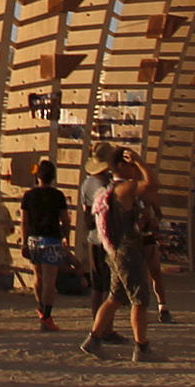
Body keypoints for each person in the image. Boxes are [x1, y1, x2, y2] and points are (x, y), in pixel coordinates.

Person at [78, 144, 162, 361]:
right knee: (139, 300)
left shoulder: (107, 190)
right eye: (131, 165)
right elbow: (153, 185)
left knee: (115, 297)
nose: (134, 169)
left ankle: (94, 338)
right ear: (122, 166)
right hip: (128, 251)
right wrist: (141, 163)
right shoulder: (126, 188)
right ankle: (142, 348)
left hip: (114, 250)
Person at [16, 157, 71, 330]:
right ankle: (47, 317)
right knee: (49, 280)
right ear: (53, 177)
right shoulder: (58, 195)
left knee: (38, 277)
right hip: (52, 239)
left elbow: (24, 221)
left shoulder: (29, 195)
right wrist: (66, 236)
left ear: (38, 176)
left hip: (33, 239)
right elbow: (65, 220)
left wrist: (24, 242)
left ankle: (40, 308)